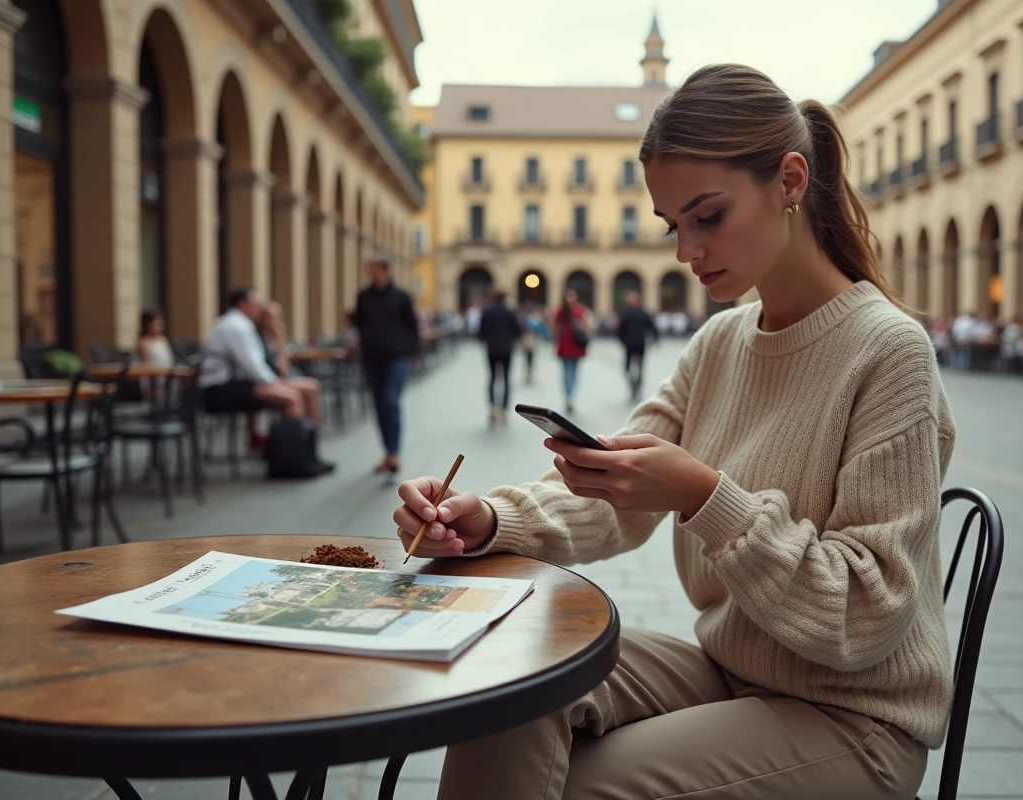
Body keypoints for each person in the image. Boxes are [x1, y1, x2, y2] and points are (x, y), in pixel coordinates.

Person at [392, 64, 954, 799]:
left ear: (790, 181)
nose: (686, 250)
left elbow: (865, 614)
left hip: (855, 717)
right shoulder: (719, 344)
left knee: (575, 786)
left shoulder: (889, 352)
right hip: (731, 670)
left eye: (707, 217)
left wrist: (704, 497)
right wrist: (491, 519)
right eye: (671, 225)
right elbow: (614, 489)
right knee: (510, 672)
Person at [199, 289, 328, 458]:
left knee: (305, 388)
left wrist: (275, 381)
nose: (258, 308)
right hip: (222, 389)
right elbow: (252, 366)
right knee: (291, 397)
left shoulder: (240, 324)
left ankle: (306, 450)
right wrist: (276, 383)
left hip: (236, 383)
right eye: (255, 304)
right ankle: (295, 456)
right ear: (242, 304)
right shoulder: (237, 327)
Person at [353, 257, 420, 475]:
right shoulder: (363, 297)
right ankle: (388, 452)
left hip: (396, 357)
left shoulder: (401, 296)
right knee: (379, 405)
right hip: (371, 358)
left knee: (391, 401)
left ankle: (394, 453)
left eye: (375, 270)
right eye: (369, 271)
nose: (371, 275)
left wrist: (414, 354)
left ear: (385, 271)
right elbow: (358, 323)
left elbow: (412, 326)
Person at [478, 288, 523, 425]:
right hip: (506, 349)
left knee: (492, 378)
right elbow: (518, 330)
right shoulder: (509, 312)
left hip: (491, 349)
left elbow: (481, 332)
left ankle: (492, 407)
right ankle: (504, 409)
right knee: (506, 379)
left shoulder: (487, 311)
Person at [552, 289, 591, 412]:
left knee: (570, 372)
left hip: (571, 345)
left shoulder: (564, 310)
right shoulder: (576, 310)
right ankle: (570, 396)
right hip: (571, 345)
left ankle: (570, 396)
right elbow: (587, 326)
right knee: (570, 372)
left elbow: (555, 327)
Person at [616, 291, 658, 401]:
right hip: (633, 344)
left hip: (637, 344)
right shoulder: (636, 313)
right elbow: (621, 330)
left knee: (638, 367)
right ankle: (634, 387)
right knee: (629, 368)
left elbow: (651, 327)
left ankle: (637, 387)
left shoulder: (630, 313)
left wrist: (655, 338)